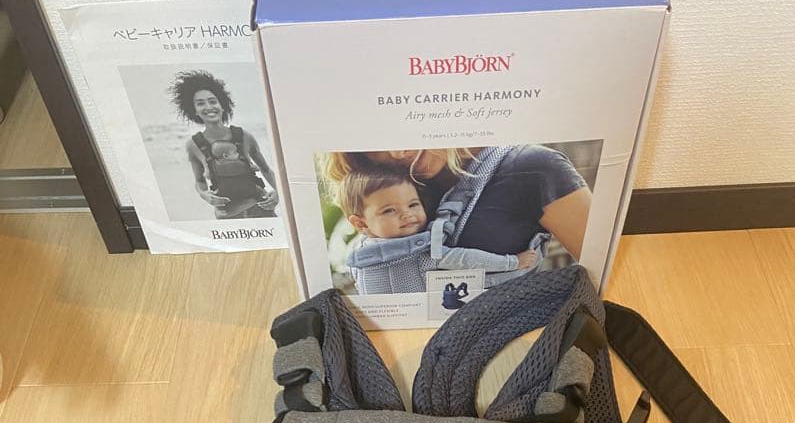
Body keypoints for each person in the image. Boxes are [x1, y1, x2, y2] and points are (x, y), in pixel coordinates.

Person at [322, 145, 591, 261]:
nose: (398, 152)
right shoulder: (388, 195)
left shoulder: (534, 167)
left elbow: (604, 275)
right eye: (377, 144)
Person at [337, 170, 536, 294]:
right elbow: (467, 259)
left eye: (413, 204)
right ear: (360, 223)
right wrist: (513, 262)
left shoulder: (357, 254)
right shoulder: (420, 252)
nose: (407, 214)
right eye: (389, 210)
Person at [169, 70, 279, 220]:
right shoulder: (193, 145)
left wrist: (278, 193)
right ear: (194, 111)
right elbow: (200, 181)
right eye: (200, 103)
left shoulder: (244, 136)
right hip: (227, 217)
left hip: (261, 210)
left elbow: (266, 170)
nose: (208, 107)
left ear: (222, 105)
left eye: (213, 101)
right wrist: (205, 195)